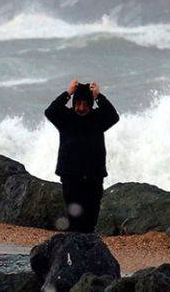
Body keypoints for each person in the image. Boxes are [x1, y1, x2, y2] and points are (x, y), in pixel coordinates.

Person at [44, 80, 119, 233]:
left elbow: (113, 116)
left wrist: (98, 96)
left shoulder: (98, 118)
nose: (81, 108)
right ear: (73, 103)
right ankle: (74, 252)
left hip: (94, 176)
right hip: (70, 176)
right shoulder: (66, 118)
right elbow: (50, 111)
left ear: (91, 105)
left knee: (91, 218)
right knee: (75, 219)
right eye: (77, 104)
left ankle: (88, 250)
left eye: (85, 104)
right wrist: (68, 93)